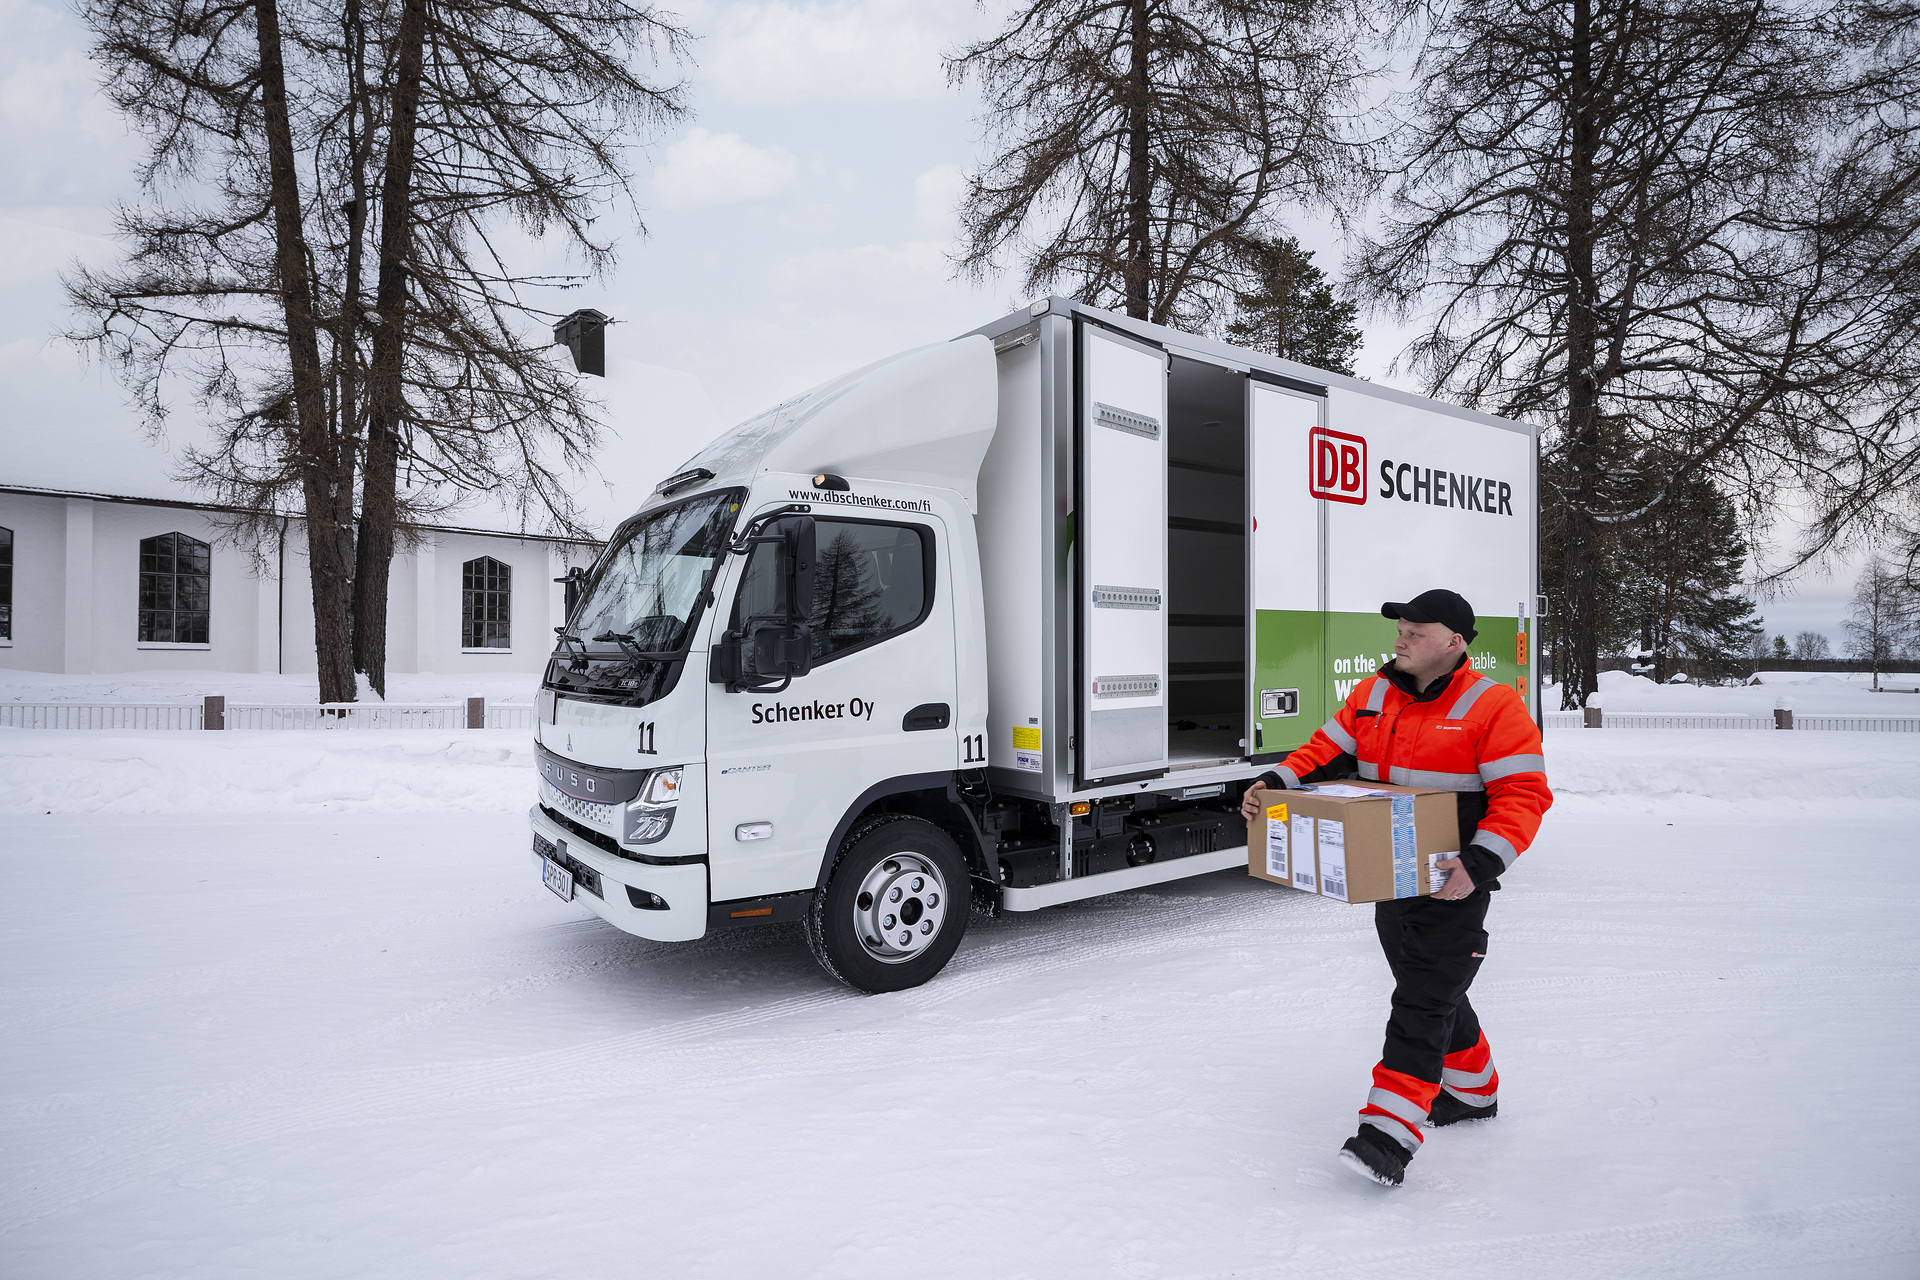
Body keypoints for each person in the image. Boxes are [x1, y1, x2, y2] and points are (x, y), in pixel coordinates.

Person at [1240, 589, 1552, 1187]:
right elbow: (1324, 750)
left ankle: (1388, 1132)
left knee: (1421, 1002)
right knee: (1428, 986)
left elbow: (1524, 796)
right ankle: (1474, 1092)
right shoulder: (1372, 694)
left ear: (1455, 642)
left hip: (1453, 881)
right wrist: (1272, 781)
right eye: (1400, 630)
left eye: (1415, 632)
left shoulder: (1492, 706)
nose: (1400, 640)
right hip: (1390, 874)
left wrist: (1480, 864)